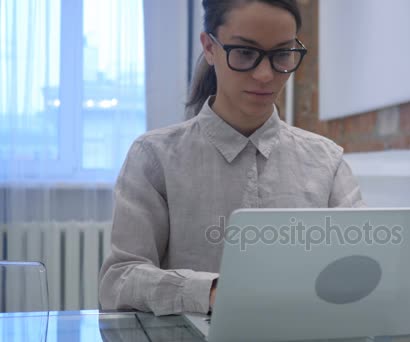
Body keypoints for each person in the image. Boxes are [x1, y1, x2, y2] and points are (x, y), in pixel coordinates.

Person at [98, 0, 364, 316]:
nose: (265, 75)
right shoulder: (154, 157)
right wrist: (210, 292)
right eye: (245, 53)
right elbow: (119, 280)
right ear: (209, 48)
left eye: (281, 54)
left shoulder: (327, 162)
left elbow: (362, 263)